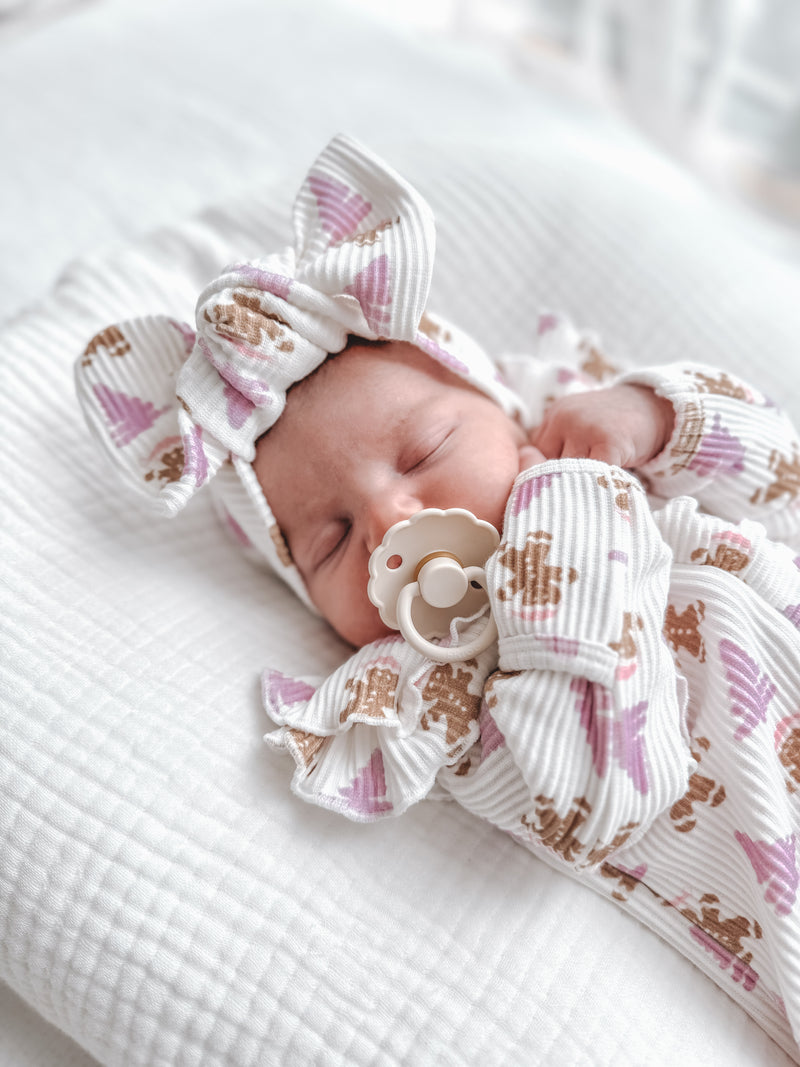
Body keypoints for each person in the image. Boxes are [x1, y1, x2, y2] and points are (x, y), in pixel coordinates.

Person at [75, 134, 800, 1059]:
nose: (389, 518)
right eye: (332, 540)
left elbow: (782, 475)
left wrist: (653, 415)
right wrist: (564, 519)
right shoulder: (441, 699)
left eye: (422, 453)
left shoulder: (589, 431)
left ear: (501, 404)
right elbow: (599, 792)